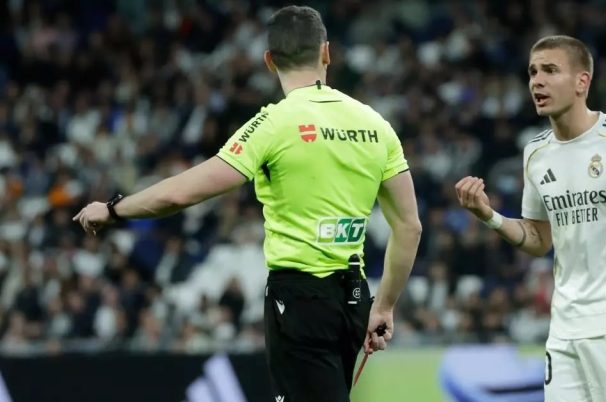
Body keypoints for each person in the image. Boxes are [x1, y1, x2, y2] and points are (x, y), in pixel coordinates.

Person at [73, 5, 421, 402]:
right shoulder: (376, 125)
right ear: (326, 52)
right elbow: (409, 226)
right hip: (356, 298)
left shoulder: (274, 122)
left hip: (300, 299)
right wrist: (385, 305)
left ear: (269, 61)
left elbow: (181, 193)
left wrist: (115, 208)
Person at [455, 35, 606, 402]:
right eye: (533, 72)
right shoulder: (535, 153)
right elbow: (538, 239)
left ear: (583, 82)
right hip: (564, 332)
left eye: (550, 70)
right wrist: (489, 216)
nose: (537, 81)